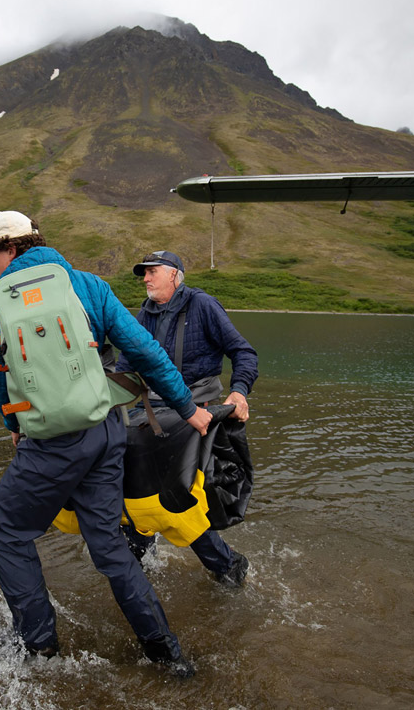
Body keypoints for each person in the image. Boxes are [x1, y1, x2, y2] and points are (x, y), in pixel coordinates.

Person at [0, 211, 211, 677]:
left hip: (52, 443)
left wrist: (13, 429)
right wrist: (188, 407)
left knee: (2, 528)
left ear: (12, 248)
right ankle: (165, 653)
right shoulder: (89, 286)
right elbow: (145, 351)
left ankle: (38, 649)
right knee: (112, 549)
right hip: (105, 431)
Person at [116, 250, 259, 586]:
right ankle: (143, 560)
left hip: (195, 413)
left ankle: (229, 566)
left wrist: (238, 393)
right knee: (133, 485)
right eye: (144, 274)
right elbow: (125, 367)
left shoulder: (203, 305)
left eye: (153, 272)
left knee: (177, 495)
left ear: (176, 275)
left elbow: (243, 352)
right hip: (149, 411)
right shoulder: (144, 314)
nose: (146, 279)